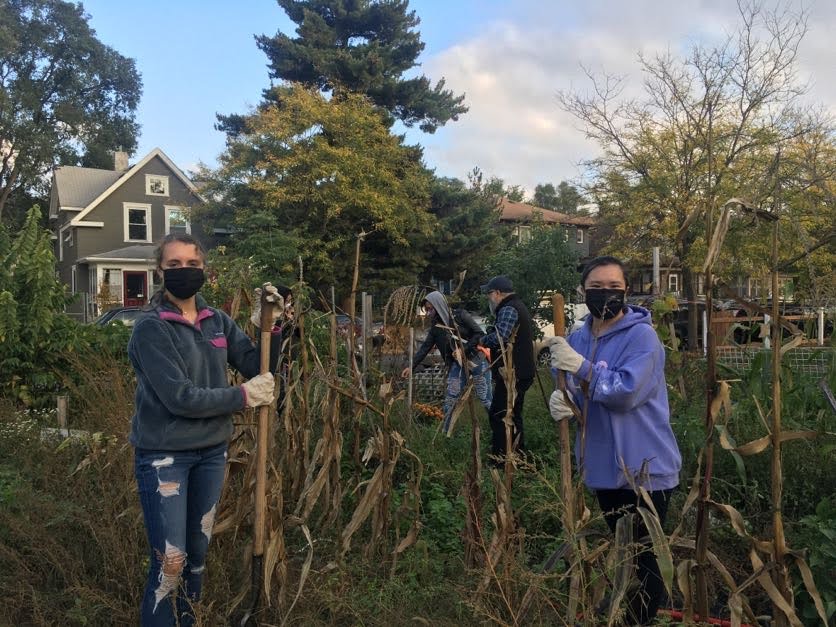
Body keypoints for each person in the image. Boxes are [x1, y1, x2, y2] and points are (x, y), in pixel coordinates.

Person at [128, 233, 283, 626]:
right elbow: (180, 397)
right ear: (159, 271)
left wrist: (274, 327)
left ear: (204, 270)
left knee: (196, 556)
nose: (184, 271)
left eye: (192, 265)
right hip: (166, 457)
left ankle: (189, 621)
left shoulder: (217, 320)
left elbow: (255, 366)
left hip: (212, 453)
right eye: (174, 265)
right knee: (171, 561)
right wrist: (243, 398)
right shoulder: (151, 328)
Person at [548, 255, 682, 625]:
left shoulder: (643, 337)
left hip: (645, 468)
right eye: (596, 288)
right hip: (603, 468)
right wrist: (564, 401)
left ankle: (639, 621)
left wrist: (582, 368)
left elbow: (625, 393)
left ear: (626, 290)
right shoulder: (576, 338)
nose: (605, 295)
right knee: (623, 552)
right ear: (583, 291)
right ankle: (626, 615)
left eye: (613, 288)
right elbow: (573, 388)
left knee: (644, 560)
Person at [401, 291, 491, 434]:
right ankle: (446, 434)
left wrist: (464, 350)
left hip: (477, 360)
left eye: (431, 309)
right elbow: (425, 348)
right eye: (427, 310)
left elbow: (479, 333)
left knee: (485, 398)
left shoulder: (460, 316)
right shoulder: (436, 328)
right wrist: (411, 367)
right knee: (450, 400)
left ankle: (497, 429)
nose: (429, 313)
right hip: (458, 365)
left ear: (439, 305)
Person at [478, 275, 534, 462]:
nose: (488, 298)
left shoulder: (509, 308)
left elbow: (500, 337)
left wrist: (481, 340)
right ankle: (519, 456)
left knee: (499, 415)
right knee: (513, 414)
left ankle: (501, 459)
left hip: (513, 373)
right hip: (519, 371)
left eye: (489, 294)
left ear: (498, 293)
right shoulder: (517, 305)